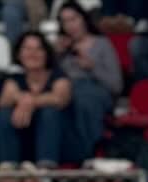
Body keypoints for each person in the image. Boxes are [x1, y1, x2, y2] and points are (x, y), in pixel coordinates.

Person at [54, 0, 121, 161]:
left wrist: (92, 67)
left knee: (84, 102)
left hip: (95, 91)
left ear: (83, 19)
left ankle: (88, 155)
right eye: (65, 22)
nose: (70, 26)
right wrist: (54, 57)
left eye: (74, 19)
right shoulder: (59, 50)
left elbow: (116, 85)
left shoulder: (102, 44)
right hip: (67, 90)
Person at [0, 27, 69, 166]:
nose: (33, 54)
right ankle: (8, 168)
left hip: (56, 144)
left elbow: (60, 98)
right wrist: (23, 99)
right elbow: (4, 100)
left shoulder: (59, 76)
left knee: (49, 112)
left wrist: (30, 101)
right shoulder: (15, 79)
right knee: (4, 114)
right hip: (24, 141)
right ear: (19, 54)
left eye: (38, 49)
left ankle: (46, 170)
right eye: (27, 49)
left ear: (46, 53)